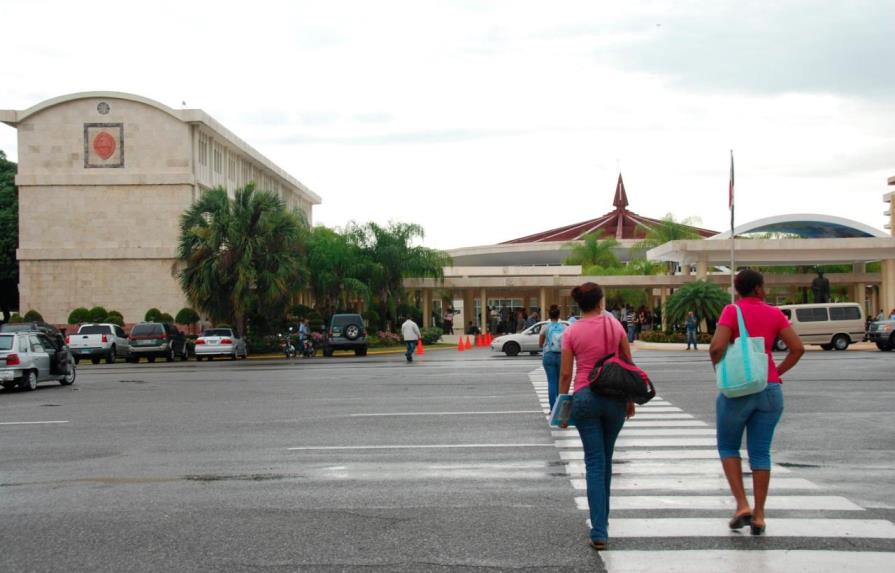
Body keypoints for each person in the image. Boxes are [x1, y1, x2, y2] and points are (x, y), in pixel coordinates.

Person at [709, 269, 805, 536]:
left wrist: (720, 370)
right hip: (769, 389)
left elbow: (717, 347)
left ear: (738, 290)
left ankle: (742, 505)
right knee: (760, 452)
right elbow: (797, 348)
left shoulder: (732, 311)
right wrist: (775, 372)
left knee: (728, 446)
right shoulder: (774, 313)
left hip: (737, 390)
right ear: (759, 289)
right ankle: (760, 515)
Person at [558, 282, 635, 551]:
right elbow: (628, 361)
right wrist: (630, 399)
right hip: (614, 397)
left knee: (594, 462)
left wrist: (562, 409)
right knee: (606, 461)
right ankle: (603, 523)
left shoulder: (572, 331)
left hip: (585, 397)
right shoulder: (614, 326)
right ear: (600, 301)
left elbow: (566, 374)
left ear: (579, 304)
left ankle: (599, 530)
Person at [538, 305, 566, 411]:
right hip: (561, 356)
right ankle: (560, 408)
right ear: (559, 315)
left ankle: (552, 408)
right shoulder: (564, 327)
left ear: (549, 315)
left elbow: (540, 344)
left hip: (549, 355)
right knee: (560, 382)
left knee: (551, 382)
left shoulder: (545, 327)